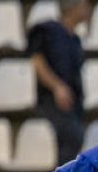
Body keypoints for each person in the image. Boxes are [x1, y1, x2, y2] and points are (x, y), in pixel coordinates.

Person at [27, 0, 91, 163]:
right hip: (52, 100)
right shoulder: (47, 31)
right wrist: (57, 87)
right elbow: (37, 61)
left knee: (74, 137)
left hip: (73, 102)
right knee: (71, 136)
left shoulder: (74, 39)